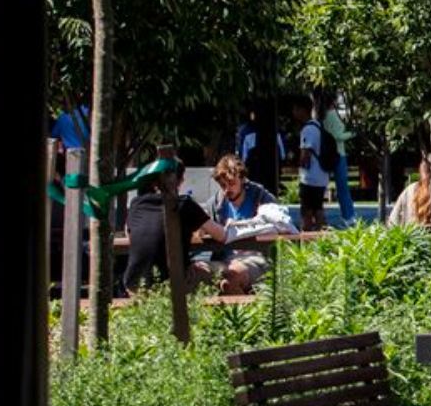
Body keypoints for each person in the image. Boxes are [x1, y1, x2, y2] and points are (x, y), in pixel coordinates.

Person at [123, 162, 229, 295]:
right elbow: (221, 235)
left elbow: (129, 233)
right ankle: (234, 311)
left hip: (134, 284)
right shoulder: (185, 204)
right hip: (174, 283)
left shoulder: (136, 203)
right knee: (226, 269)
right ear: (181, 180)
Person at [201, 154, 281, 293]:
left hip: (256, 257)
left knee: (233, 275)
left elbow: (280, 225)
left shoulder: (261, 198)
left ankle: (245, 312)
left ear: (242, 179)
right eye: (222, 185)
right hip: (224, 260)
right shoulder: (215, 204)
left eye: (231, 184)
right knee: (195, 271)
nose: (227, 190)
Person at [292, 98, 331, 231]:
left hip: (310, 178)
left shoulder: (307, 130)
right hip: (322, 176)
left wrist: (297, 165)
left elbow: (305, 155)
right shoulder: (318, 126)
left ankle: (306, 237)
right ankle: (322, 235)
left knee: (306, 211)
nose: (294, 112)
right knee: (318, 207)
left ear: (302, 110)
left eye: (296, 109)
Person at [319, 93, 356, 228]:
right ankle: (348, 215)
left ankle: (344, 215)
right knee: (343, 188)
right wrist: (353, 133)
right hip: (339, 154)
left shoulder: (323, 117)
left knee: (325, 186)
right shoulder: (333, 116)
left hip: (329, 154)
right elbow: (338, 136)